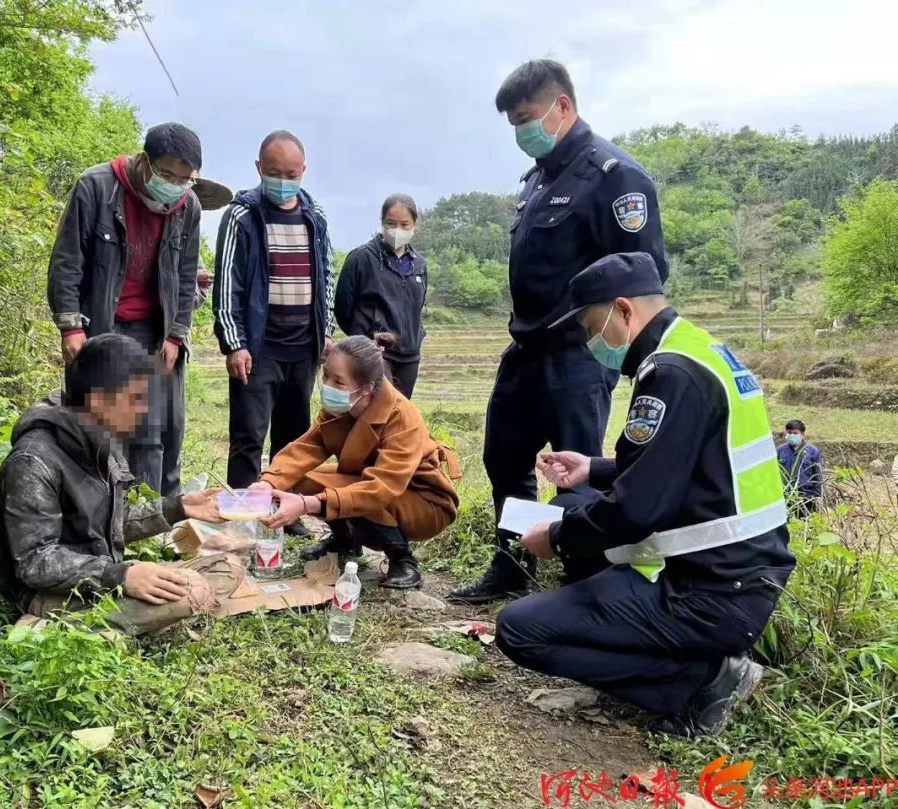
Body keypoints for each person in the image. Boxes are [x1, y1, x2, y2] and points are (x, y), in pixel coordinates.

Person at [494, 252, 796, 738]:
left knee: (519, 630)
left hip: (712, 592)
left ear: (623, 310)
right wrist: (592, 468)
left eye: (595, 327)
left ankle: (701, 681)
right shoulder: (701, 350)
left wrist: (556, 539)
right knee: (570, 503)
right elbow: (686, 463)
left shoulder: (669, 373)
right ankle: (653, 639)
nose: (594, 343)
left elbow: (637, 509)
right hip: (742, 570)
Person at [450, 59, 668, 605]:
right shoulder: (538, 181)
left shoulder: (616, 178)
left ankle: (583, 580)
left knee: (578, 469)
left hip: (579, 354)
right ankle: (513, 563)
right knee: (504, 459)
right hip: (525, 346)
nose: (521, 132)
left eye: (526, 118)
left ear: (562, 107)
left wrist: (617, 352)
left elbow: (643, 278)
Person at [0, 334, 243, 637]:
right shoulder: (33, 461)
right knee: (189, 594)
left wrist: (180, 507)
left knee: (228, 567)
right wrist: (121, 575)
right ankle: (54, 630)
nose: (144, 410)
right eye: (135, 399)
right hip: (55, 593)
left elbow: (113, 522)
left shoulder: (101, 438)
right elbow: (34, 562)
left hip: (107, 579)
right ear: (98, 400)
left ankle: (123, 623)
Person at [47, 122, 204, 499]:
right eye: (166, 174)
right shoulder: (97, 187)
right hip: (103, 328)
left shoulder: (189, 207)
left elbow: (185, 276)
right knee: (100, 424)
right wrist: (71, 327)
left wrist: (175, 334)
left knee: (158, 429)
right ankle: (99, 514)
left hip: (156, 331)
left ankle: (156, 519)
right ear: (144, 160)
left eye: (185, 179)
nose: (174, 184)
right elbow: (68, 261)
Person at [250, 334, 461, 589]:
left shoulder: (402, 418)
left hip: (421, 501)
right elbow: (307, 447)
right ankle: (345, 541)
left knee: (359, 494)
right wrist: (269, 482)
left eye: (338, 381)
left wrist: (308, 505)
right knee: (302, 479)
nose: (327, 385)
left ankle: (402, 560)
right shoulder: (342, 405)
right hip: (372, 485)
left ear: (368, 388)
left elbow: (380, 488)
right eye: (325, 375)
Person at [213, 130, 336, 537]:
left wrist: (326, 334)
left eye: (290, 172)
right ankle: (245, 519)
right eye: (273, 171)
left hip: (303, 348)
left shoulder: (313, 216)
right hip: (259, 349)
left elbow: (326, 277)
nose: (282, 179)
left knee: (294, 437)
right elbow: (227, 281)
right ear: (258, 169)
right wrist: (235, 342)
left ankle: (286, 513)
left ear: (303, 171)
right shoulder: (241, 216)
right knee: (248, 436)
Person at [334, 193, 428, 399]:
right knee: (372, 411)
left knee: (398, 416)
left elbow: (417, 308)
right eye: (391, 223)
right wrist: (365, 337)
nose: (397, 230)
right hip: (373, 355)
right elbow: (343, 308)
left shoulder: (419, 265)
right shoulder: (361, 258)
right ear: (382, 223)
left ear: (414, 225)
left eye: (404, 224)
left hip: (409, 357)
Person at [777, 419, 823, 517]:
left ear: (802, 435)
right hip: (786, 497)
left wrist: (817, 496)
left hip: (806, 497)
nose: (792, 435)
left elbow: (818, 475)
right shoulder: (781, 450)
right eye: (789, 433)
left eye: (795, 433)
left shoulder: (812, 451)